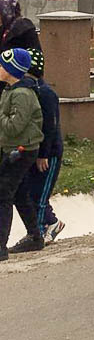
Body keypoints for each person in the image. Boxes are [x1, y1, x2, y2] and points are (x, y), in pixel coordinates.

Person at [8, 72, 63, 251]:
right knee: (30, 191)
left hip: (48, 152)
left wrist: (44, 154)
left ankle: (39, 231)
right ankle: (50, 223)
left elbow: (50, 126)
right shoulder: (27, 92)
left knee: (40, 195)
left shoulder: (45, 94)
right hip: (33, 150)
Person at [0, 49, 43, 261]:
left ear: (11, 70)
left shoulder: (22, 95)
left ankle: (0, 247)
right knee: (18, 193)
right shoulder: (11, 90)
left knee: (3, 194)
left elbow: (13, 127)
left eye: (1, 66)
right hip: (13, 148)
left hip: (21, 150)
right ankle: (35, 235)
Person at [0, 0, 44, 78]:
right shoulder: (4, 28)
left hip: (19, 77)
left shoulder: (24, 28)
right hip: (4, 76)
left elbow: (35, 55)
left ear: (6, 13)